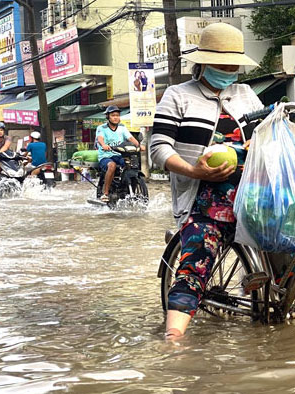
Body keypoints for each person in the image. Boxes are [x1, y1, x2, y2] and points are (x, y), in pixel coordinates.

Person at [150, 23, 262, 339]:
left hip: (251, 196)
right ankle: (173, 340)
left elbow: (264, 136)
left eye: (233, 65)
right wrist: (194, 171)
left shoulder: (246, 94)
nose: (229, 70)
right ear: (204, 62)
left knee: (290, 240)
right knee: (196, 261)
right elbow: (158, 149)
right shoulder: (178, 96)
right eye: (222, 64)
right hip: (203, 200)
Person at [96, 105, 142, 202]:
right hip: (106, 156)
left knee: (130, 164)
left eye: (117, 115)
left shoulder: (122, 127)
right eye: (113, 115)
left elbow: (130, 138)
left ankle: (126, 186)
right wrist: (104, 145)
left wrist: (138, 145)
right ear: (108, 117)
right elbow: (100, 138)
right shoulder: (102, 128)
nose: (116, 117)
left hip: (119, 154)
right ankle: (106, 193)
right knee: (112, 166)